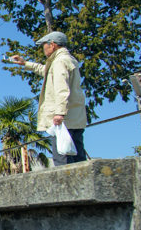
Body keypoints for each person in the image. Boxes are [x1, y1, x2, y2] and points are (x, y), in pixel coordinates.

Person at [10, 31, 88, 166]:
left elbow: (61, 89)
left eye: (44, 46)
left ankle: (66, 186)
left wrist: (59, 113)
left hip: (64, 119)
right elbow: (45, 71)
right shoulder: (69, 59)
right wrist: (25, 64)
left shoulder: (59, 62)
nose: (43, 49)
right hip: (75, 116)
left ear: (52, 44)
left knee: (63, 157)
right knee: (78, 155)